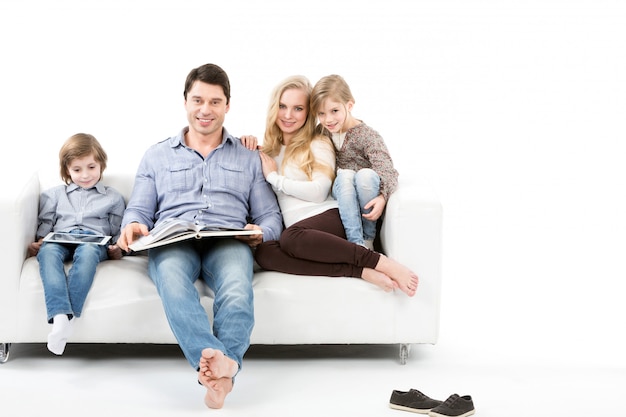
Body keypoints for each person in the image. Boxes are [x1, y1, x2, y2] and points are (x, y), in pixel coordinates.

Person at [116, 63, 283, 409]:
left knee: (237, 289)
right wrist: (132, 226)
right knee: (172, 282)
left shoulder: (249, 156)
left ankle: (221, 370)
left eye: (215, 101)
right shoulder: (156, 155)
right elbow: (138, 211)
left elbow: (270, 216)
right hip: (173, 240)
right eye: (198, 100)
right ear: (185, 102)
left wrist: (261, 231)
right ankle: (225, 366)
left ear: (227, 105)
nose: (205, 110)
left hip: (228, 240)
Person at [251, 75, 418, 297]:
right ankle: (359, 271)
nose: (288, 115)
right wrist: (246, 142)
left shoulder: (318, 141)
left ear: (308, 113)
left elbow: (320, 192)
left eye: (298, 108)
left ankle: (379, 262)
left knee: (291, 238)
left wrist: (274, 177)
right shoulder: (268, 151)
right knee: (265, 253)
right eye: (282, 106)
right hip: (299, 231)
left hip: (328, 217)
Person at [28, 133, 126, 356]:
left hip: (94, 242)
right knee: (49, 253)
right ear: (67, 170)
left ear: (101, 164)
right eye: (77, 170)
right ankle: (62, 316)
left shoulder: (113, 198)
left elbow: (117, 232)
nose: (85, 175)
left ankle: (64, 319)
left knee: (89, 253)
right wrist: (40, 242)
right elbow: (46, 224)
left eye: (91, 167)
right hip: (60, 238)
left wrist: (117, 250)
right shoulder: (54, 195)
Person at [311, 74, 399, 250]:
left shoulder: (367, 135)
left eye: (334, 111)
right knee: (345, 175)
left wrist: (382, 197)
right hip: (342, 188)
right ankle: (356, 243)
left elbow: (388, 170)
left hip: (366, 190)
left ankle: (368, 239)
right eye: (321, 113)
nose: (328, 119)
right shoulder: (321, 132)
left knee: (365, 174)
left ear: (349, 105)